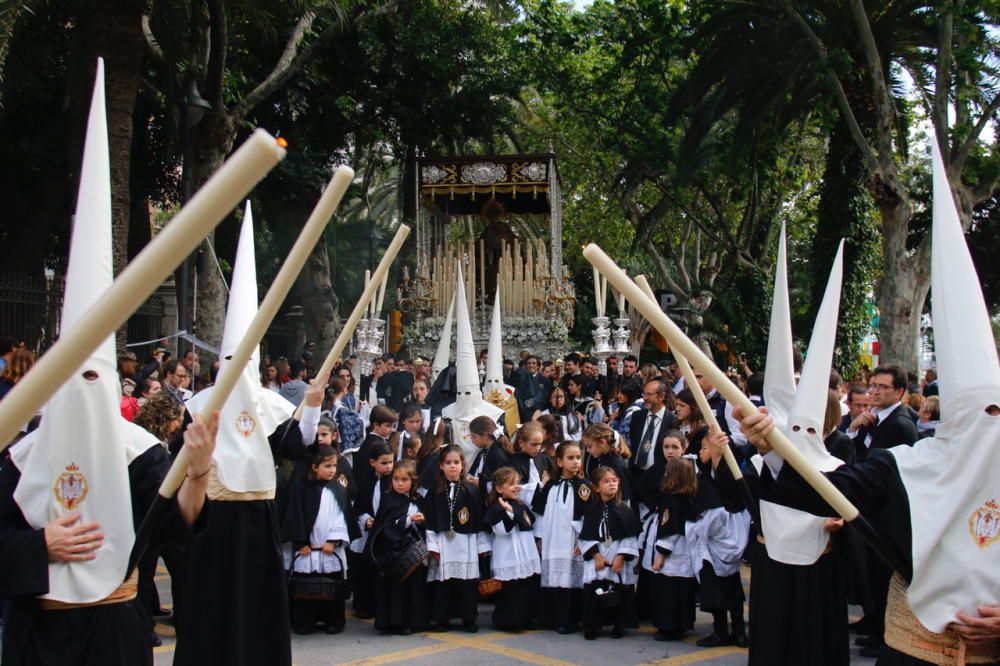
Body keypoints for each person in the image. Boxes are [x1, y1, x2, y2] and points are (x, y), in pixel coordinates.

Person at [280, 445, 358, 635]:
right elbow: (294, 516)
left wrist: (333, 540)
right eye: (327, 466)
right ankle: (304, 622)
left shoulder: (338, 490)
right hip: (308, 548)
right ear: (314, 467)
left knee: (331, 586)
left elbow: (342, 516)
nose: (332, 470)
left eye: (334, 466)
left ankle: (333, 621)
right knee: (305, 587)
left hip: (328, 547)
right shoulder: (300, 489)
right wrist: (300, 543)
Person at [688, 431, 750, 648]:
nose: (700, 452)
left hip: (725, 537)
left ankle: (737, 631)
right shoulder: (705, 475)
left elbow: (722, 508)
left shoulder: (727, 476)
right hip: (712, 543)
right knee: (717, 591)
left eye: (705, 448)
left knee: (731, 590)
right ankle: (721, 630)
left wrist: (717, 457)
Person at [424, 445, 489, 632]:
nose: (453, 467)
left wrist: (482, 545)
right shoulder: (434, 492)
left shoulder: (472, 491)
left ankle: (469, 618)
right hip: (443, 542)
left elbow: (480, 519)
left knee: (466, 583)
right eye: (448, 463)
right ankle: (442, 618)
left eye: (456, 462)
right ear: (441, 466)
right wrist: (433, 546)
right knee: (444, 584)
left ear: (463, 465)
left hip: (466, 543)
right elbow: (429, 521)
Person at [531, 441, 592, 634]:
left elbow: (588, 516)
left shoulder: (584, 486)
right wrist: (539, 537)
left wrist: (582, 541)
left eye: (578, 458)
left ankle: (570, 619)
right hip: (552, 539)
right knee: (553, 577)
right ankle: (550, 617)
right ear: (559, 461)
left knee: (570, 579)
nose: (575, 462)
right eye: (570, 458)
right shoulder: (550, 486)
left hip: (571, 541)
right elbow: (539, 513)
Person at [366, 459, 428, 635]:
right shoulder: (389, 500)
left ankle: (413, 621)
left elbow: (427, 523)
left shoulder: (419, 500)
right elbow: (384, 528)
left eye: (404, 480)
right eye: (396, 479)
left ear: (413, 481)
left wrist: (422, 522)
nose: (399, 484)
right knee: (396, 591)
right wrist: (408, 520)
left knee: (413, 589)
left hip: (415, 554)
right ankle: (394, 622)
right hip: (394, 556)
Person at [579, 466, 640, 640]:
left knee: (618, 592)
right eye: (606, 481)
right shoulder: (591, 510)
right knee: (595, 591)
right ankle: (593, 625)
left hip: (616, 555)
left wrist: (621, 557)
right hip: (598, 556)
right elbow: (585, 536)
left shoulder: (625, 510)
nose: (611, 484)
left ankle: (618, 625)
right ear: (597, 487)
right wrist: (596, 556)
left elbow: (630, 537)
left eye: (614, 481)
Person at [484, 467, 541, 631]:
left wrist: (515, 512)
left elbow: (529, 522)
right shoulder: (495, 507)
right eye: (511, 484)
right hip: (508, 551)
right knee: (511, 590)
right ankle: (509, 620)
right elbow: (501, 530)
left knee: (525, 586)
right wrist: (509, 513)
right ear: (499, 488)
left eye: (518, 483)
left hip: (524, 550)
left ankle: (526, 618)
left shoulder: (521, 504)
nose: (517, 487)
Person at [648, 456, 698, 642]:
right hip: (686, 551)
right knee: (682, 590)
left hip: (673, 553)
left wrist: (661, 554)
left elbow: (668, 529)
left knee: (668, 591)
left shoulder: (671, 500)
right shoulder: (689, 498)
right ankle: (682, 624)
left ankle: (668, 627)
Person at [349, 441, 394, 620]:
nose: (389, 466)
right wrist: (366, 518)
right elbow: (358, 505)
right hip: (368, 532)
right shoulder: (365, 481)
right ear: (372, 463)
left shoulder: (393, 482)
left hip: (388, 533)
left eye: (391, 462)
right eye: (384, 463)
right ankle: (364, 606)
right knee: (365, 571)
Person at [628, 379, 677, 487]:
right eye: (644, 394)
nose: (645, 398)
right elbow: (633, 442)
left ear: (661, 397)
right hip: (635, 475)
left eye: (649, 394)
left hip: (658, 479)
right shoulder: (637, 416)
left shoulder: (672, 421)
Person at [581, 423, 636, 507]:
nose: (588, 450)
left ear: (602, 443)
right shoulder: (602, 459)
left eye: (590, 446)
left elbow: (624, 498)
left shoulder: (615, 464)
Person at [510, 421, 554, 507]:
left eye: (540, 444)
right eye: (533, 445)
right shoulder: (514, 461)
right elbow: (516, 488)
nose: (537, 448)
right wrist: (539, 485)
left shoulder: (543, 458)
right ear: (522, 443)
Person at [466, 414, 514, 493]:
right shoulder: (485, 450)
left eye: (474, 436)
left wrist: (479, 484)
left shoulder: (497, 454)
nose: (471, 439)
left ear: (485, 435)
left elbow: (502, 483)